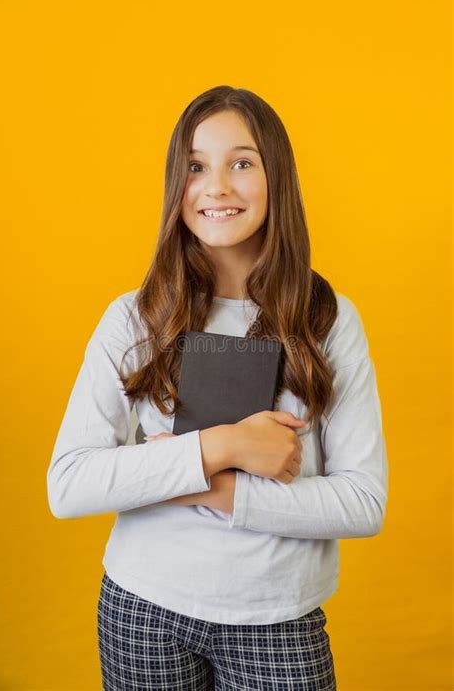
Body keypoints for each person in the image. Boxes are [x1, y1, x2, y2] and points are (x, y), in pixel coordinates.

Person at [46, 85, 388, 690]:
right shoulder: (134, 318)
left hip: (277, 619)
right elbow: (69, 485)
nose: (218, 187)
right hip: (142, 610)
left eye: (242, 163)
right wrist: (223, 449)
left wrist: (201, 487)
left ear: (276, 177)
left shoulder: (328, 319)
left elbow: (362, 503)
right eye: (196, 166)